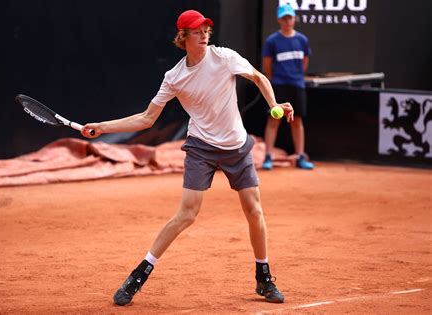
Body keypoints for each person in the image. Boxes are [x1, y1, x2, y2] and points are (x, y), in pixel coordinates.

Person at [81, 10, 293, 306]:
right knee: (186, 215)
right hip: (201, 148)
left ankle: (264, 278)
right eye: (197, 31)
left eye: (206, 30)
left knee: (254, 210)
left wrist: (274, 104)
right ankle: (138, 276)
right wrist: (103, 127)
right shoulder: (175, 77)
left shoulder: (224, 57)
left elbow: (258, 77)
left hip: (236, 146)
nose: (204, 35)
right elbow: (146, 118)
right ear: (183, 37)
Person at [261, 4, 314, 170]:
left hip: (297, 85)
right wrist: (275, 79)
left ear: (294, 19)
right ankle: (268, 157)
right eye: (284, 18)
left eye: (289, 17)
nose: (287, 21)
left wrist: (296, 76)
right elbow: (267, 65)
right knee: (274, 121)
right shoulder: (272, 41)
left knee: (297, 122)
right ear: (279, 20)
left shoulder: (302, 40)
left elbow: (304, 63)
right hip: (279, 85)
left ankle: (299, 157)